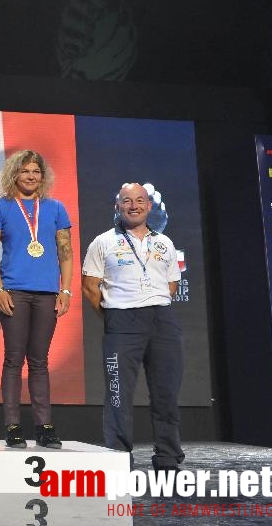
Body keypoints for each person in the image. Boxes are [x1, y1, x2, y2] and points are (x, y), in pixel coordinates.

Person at [81, 182, 184, 472]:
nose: (134, 205)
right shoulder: (103, 242)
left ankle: (167, 457)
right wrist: (114, 316)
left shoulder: (164, 243)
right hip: (122, 321)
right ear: (118, 206)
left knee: (166, 394)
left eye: (140, 200)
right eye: (127, 201)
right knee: (118, 395)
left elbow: (172, 284)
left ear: (149, 206)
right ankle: (118, 459)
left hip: (163, 321)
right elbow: (90, 287)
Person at [0, 150, 72, 449]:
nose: (31, 176)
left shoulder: (56, 208)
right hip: (15, 293)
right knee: (12, 359)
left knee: (39, 361)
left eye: (36, 171)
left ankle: (44, 427)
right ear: (14, 175)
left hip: (47, 293)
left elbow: (65, 252)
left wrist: (66, 289)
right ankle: (13, 427)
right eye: (24, 171)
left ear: (42, 176)